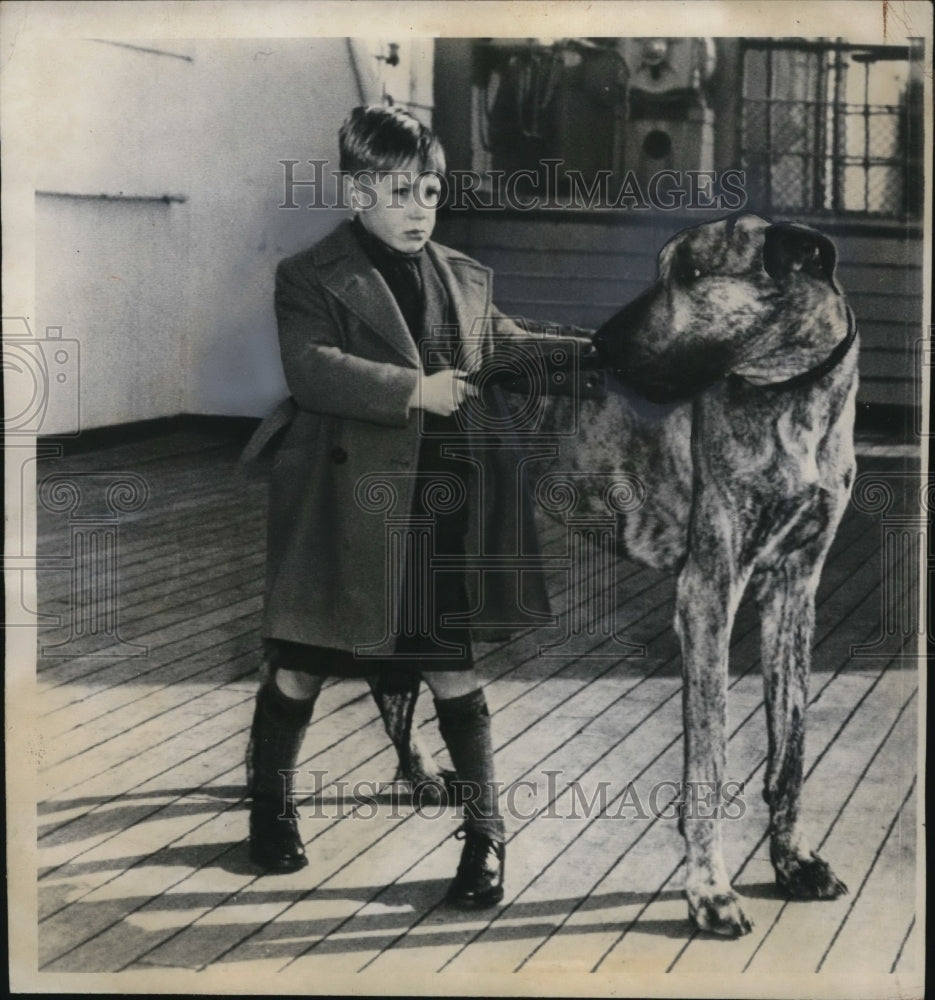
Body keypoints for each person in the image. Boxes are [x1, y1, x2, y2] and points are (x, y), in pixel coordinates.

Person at [243, 104, 567, 909]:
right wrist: (416, 389)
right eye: (397, 192)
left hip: (436, 504)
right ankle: (272, 807)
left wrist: (587, 354)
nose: (419, 207)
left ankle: (485, 836)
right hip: (342, 502)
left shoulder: (462, 275)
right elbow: (311, 368)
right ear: (356, 194)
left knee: (450, 667)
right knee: (302, 664)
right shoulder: (309, 275)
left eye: (429, 189)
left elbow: (501, 341)